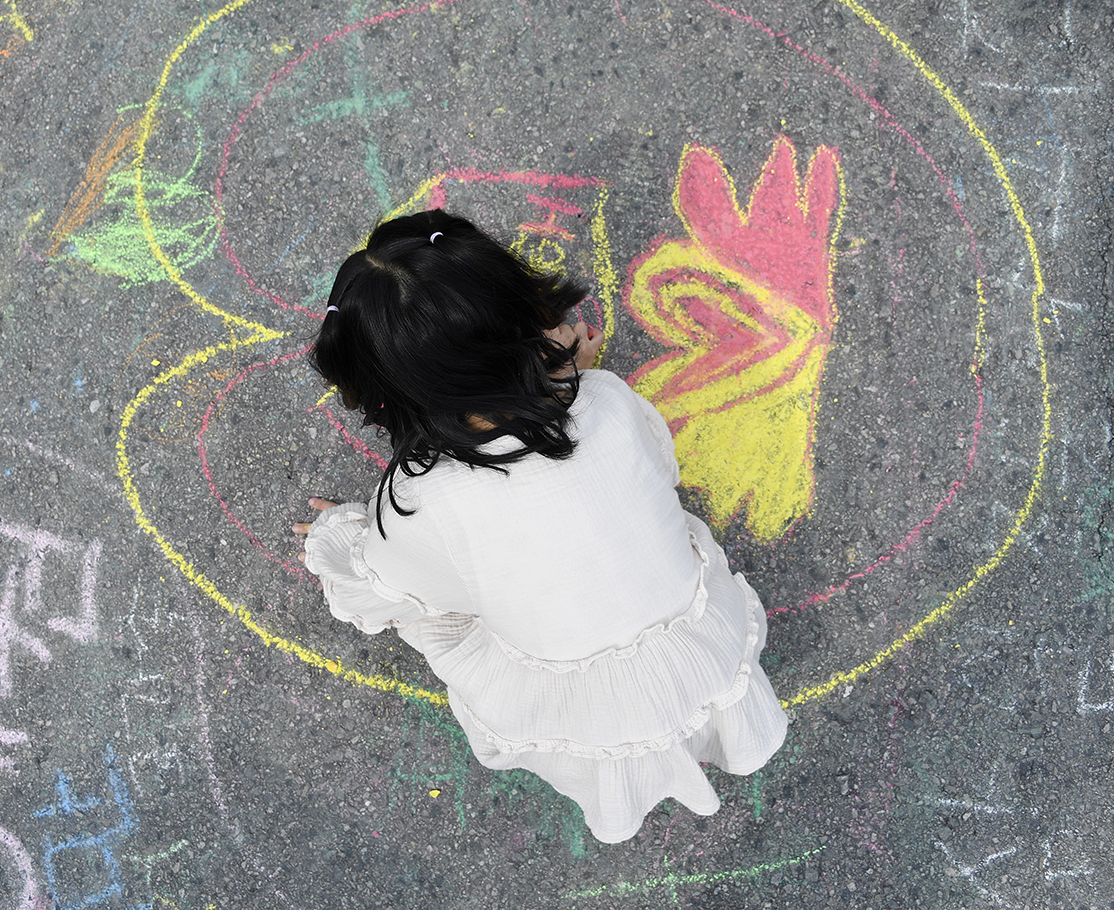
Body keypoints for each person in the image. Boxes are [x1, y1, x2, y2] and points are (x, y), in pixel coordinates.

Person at [290, 209, 787, 844]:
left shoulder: (420, 497)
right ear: (520, 316)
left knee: (438, 594)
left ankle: (629, 773)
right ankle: (707, 734)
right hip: (694, 647)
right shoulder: (605, 399)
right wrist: (568, 378)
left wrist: (340, 533)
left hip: (589, 704)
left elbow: (387, 586)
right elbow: (659, 467)